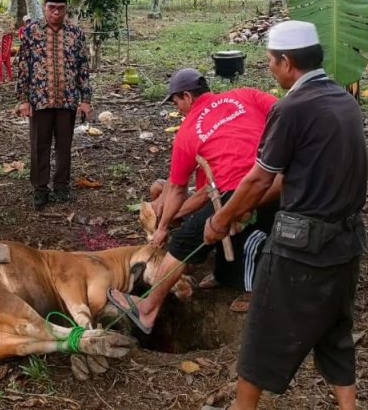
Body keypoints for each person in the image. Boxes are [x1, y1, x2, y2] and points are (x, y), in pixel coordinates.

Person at [204, 20, 368, 410]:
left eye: (271, 62)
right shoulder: (344, 101)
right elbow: (298, 174)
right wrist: (242, 211)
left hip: (303, 248)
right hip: (347, 242)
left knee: (264, 331)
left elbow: (260, 179)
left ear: (288, 62)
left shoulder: (292, 108)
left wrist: (221, 220)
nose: (270, 69)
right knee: (335, 330)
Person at [106, 68, 279, 332]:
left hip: (237, 192)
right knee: (217, 223)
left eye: (176, 102)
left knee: (186, 240)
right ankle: (225, 276)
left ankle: (147, 310)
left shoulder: (187, 131)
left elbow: (176, 190)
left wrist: (163, 228)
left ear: (186, 96)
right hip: (271, 179)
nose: (177, 109)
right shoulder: (246, 95)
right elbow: (286, 115)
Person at [15, 0, 92, 209]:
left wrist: (85, 100)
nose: (56, 13)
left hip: (67, 100)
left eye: (60, 8)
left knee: (64, 145)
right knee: (39, 145)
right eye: (51, 8)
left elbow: (83, 68)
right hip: (40, 99)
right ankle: (40, 188)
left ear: (66, 9)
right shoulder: (31, 32)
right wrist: (23, 99)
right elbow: (23, 67)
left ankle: (61, 186)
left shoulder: (75, 33)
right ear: (44, 7)